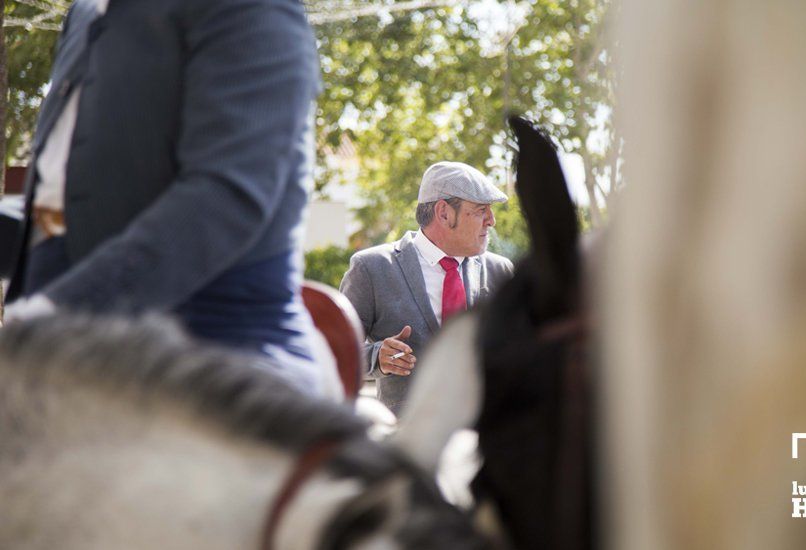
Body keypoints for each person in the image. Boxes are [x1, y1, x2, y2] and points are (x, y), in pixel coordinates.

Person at [1, 0, 342, 399]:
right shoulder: (85, 12)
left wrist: (54, 315)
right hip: (52, 358)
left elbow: (223, 200)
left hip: (212, 347)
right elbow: (60, 208)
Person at [340, 161, 514, 415]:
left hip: (489, 434)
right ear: (443, 213)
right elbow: (338, 353)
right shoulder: (371, 268)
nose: (492, 220)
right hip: (406, 441)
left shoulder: (501, 271)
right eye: (480, 210)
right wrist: (378, 357)